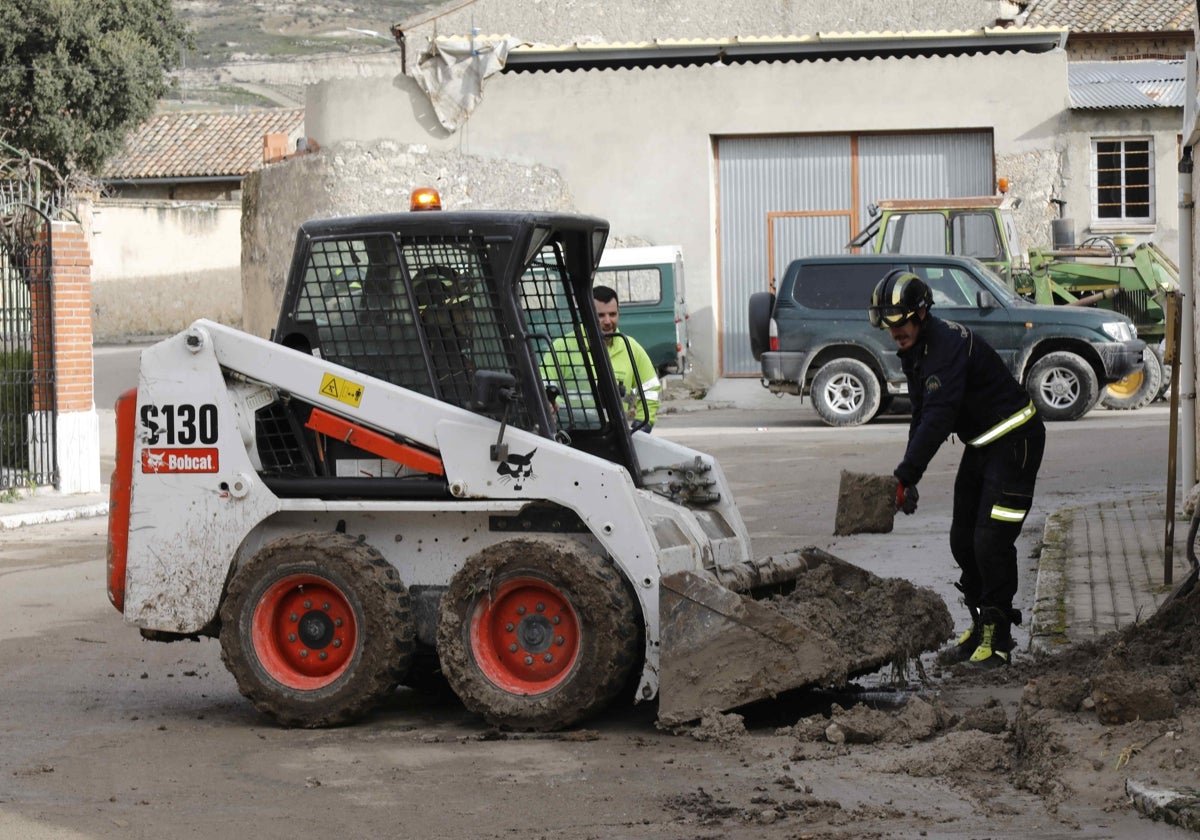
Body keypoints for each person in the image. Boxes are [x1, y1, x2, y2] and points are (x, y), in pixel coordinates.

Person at [868, 269, 1046, 668]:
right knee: (962, 539)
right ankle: (980, 626)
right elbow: (921, 415)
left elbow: (940, 417)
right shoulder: (916, 352)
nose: (894, 331)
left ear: (921, 313)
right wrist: (905, 477)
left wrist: (907, 474)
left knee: (990, 541)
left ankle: (998, 640)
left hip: (1015, 441)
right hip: (983, 445)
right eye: (887, 324)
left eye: (900, 321)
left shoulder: (946, 346)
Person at [543, 285, 660, 432]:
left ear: (619, 313)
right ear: (587, 315)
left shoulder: (631, 348)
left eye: (612, 314)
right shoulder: (562, 347)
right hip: (571, 436)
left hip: (615, 437)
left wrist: (643, 425)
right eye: (600, 315)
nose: (607, 321)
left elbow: (650, 389)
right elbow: (543, 385)